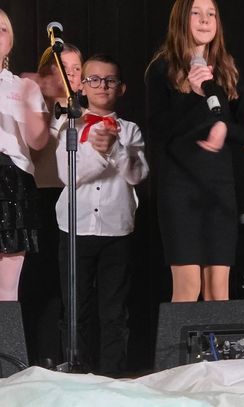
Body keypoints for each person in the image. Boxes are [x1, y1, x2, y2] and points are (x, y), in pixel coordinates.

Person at [146, 0, 244, 302]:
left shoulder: (227, 70)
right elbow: (157, 130)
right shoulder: (162, 68)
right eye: (196, 13)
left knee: (218, 290)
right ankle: (178, 338)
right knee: (188, 286)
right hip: (180, 189)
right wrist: (191, 96)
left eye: (211, 14)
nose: (205, 20)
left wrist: (224, 128)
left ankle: (217, 339)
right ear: (182, 19)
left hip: (219, 190)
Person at [55, 54, 149, 375]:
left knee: (114, 312)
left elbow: (137, 174)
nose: (102, 86)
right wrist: (100, 153)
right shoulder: (69, 126)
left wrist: (115, 148)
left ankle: (113, 376)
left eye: (110, 80)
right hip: (75, 229)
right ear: (82, 86)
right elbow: (68, 175)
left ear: (121, 88)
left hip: (116, 231)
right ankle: (77, 374)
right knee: (75, 310)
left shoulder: (131, 130)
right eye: (93, 79)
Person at [19, 43, 84, 368]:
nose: (70, 75)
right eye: (63, 68)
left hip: (79, 202)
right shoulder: (37, 109)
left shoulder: (85, 113)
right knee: (41, 284)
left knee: (70, 285)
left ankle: (71, 357)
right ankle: (40, 357)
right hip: (42, 197)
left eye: (76, 69)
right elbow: (35, 149)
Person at [0, 9, 50, 301]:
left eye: (3, 29)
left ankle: (6, 332)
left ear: (11, 42)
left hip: (11, 179)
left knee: (7, 287)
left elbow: (38, 141)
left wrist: (28, 105)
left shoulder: (20, 87)